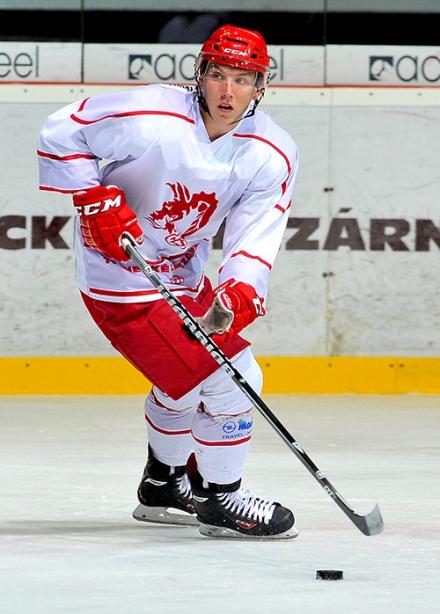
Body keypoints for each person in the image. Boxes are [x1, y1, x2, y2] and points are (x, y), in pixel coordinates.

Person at [37, 24, 299, 539]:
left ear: (260, 86)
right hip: (119, 275)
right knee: (235, 377)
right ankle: (221, 498)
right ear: (199, 74)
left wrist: (240, 289)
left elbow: (254, 233)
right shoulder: (151, 112)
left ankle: (163, 483)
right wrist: (92, 198)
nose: (228, 91)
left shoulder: (272, 151)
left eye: (242, 79)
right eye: (218, 75)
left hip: (182, 272)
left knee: (183, 381)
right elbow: (62, 129)